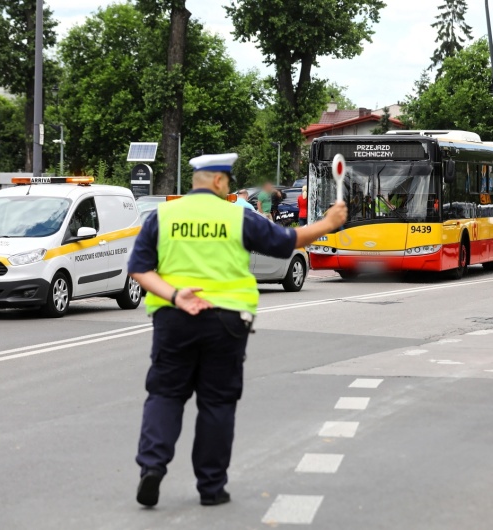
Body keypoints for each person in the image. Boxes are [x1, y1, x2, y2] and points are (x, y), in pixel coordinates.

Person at [128, 153, 347, 509]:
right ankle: (211, 488)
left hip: (174, 318)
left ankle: (152, 468)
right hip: (226, 323)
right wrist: (328, 222)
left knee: (165, 395)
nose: (229, 188)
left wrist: (175, 295)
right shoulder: (237, 216)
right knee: (217, 403)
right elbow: (285, 242)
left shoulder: (163, 216)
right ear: (217, 181)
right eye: (227, 182)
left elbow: (139, 268)